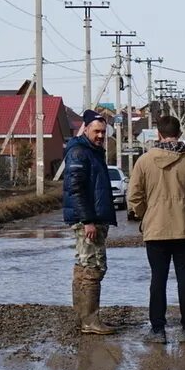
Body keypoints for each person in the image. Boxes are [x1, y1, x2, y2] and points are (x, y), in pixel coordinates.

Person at [127, 115, 185, 344]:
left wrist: (145, 213)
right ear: (180, 133)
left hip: (155, 229)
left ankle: (158, 330)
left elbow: (133, 196)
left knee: (157, 279)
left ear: (158, 134)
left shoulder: (145, 161)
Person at [63, 110, 117, 335]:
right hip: (88, 220)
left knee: (84, 266)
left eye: (103, 132)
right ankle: (90, 320)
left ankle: (82, 317)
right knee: (94, 267)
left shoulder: (92, 151)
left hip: (92, 218)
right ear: (85, 129)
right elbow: (76, 189)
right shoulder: (79, 152)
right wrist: (88, 221)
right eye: (96, 131)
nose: (100, 136)